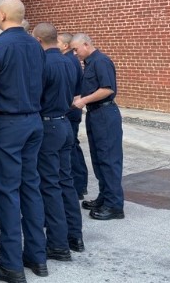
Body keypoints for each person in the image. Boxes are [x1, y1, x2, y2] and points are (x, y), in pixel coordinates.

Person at [0, 0, 47, 282]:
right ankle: (37, 256)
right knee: (30, 186)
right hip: (33, 121)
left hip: (6, 125)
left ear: (2, 16)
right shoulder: (36, 45)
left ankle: (11, 264)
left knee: (7, 192)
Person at [32, 23, 84, 261]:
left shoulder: (43, 63)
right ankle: (75, 236)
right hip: (64, 122)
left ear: (39, 39)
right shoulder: (69, 61)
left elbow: (36, 95)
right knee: (66, 181)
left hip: (49, 125)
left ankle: (58, 243)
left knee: (50, 184)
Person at [70, 33, 124, 221]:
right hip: (95, 114)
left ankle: (115, 205)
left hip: (105, 114)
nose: (75, 53)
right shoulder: (90, 63)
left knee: (109, 159)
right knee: (99, 158)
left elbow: (108, 89)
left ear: (86, 44)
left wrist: (83, 100)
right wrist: (80, 97)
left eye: (76, 49)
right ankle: (105, 197)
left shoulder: (101, 61)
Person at [58, 32, 87, 199]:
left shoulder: (68, 60)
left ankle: (77, 185)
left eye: (58, 42)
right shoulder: (71, 60)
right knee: (73, 146)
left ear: (65, 45)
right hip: (72, 109)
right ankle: (80, 184)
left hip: (70, 109)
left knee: (71, 149)